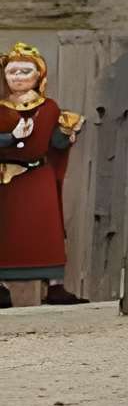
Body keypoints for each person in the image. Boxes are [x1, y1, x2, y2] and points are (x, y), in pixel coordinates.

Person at [0, 43, 84, 306]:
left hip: (38, 178)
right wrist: (11, 137)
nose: (19, 76)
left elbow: (55, 145)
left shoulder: (48, 108)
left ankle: (55, 286)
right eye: (13, 71)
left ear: (39, 76)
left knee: (46, 230)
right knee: (6, 233)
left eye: (26, 71)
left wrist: (67, 131)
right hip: (7, 181)